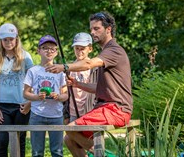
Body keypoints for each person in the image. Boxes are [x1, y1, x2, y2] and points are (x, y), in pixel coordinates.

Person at [45, 12, 133, 157]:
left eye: (96, 28)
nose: (92, 32)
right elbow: (99, 88)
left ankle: (107, 155)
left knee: (71, 129)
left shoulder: (114, 50)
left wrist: (64, 67)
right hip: (105, 108)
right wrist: (77, 84)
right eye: (91, 29)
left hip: (117, 109)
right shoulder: (107, 52)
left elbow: (88, 64)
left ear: (108, 29)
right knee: (69, 139)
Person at [0, 23, 33, 157]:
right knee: (2, 140)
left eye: (11, 39)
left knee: (20, 140)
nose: (8, 42)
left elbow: (33, 80)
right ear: (1, 41)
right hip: (3, 106)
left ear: (16, 39)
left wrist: (29, 103)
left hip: (22, 105)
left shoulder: (25, 57)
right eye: (5, 39)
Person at [23, 35, 68, 157]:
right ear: (39, 50)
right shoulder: (33, 71)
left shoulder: (60, 72)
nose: (49, 51)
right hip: (37, 115)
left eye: (52, 49)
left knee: (57, 152)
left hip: (56, 116)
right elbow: (25, 93)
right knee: (37, 152)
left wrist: (58, 96)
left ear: (56, 52)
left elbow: (66, 95)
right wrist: (37, 97)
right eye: (45, 48)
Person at [63, 32, 97, 125]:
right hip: (72, 112)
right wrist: (66, 114)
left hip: (89, 111)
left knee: (89, 137)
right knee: (71, 138)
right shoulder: (69, 69)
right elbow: (65, 93)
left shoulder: (95, 68)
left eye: (82, 49)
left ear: (90, 49)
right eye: (76, 48)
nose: (79, 52)